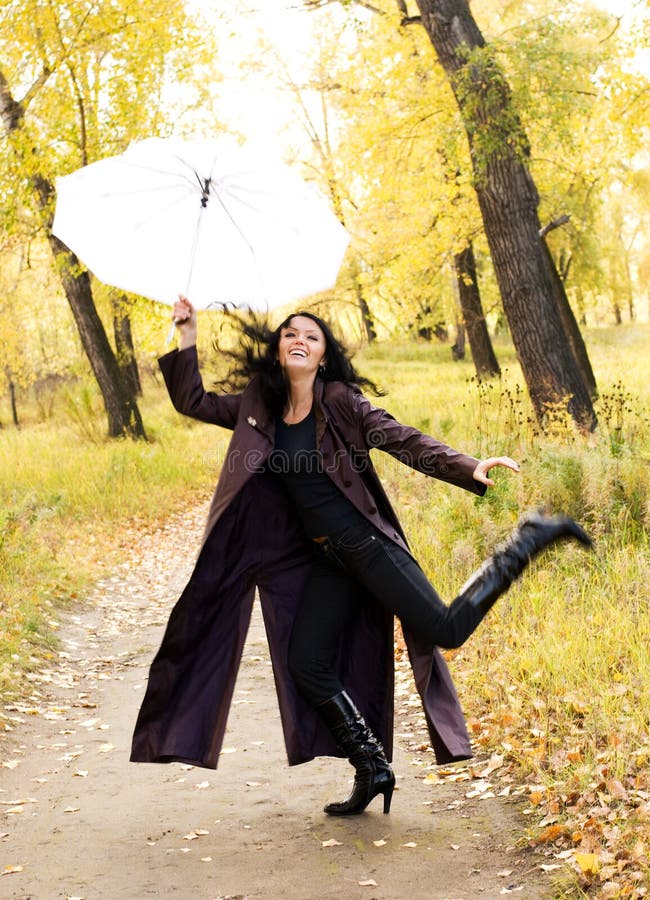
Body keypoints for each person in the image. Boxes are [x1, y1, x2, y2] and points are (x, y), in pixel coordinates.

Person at [131, 296, 592, 817]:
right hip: (328, 562)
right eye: (289, 334)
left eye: (310, 335)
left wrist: (466, 466)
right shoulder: (258, 403)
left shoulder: (341, 401)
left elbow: (401, 439)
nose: (298, 340)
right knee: (307, 663)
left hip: (366, 547)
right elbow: (192, 399)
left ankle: (525, 541)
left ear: (323, 356)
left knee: (446, 629)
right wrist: (186, 334)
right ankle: (372, 766)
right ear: (278, 351)